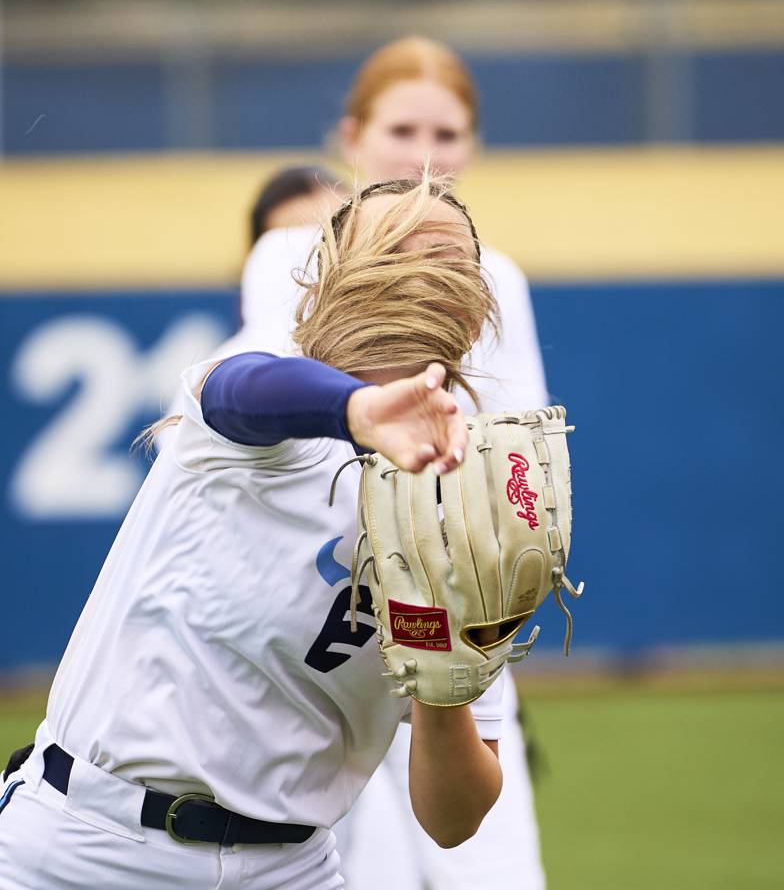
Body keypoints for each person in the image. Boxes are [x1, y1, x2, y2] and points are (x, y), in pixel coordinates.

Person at [0, 179, 505, 890]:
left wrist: (440, 662)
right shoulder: (278, 385)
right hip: (88, 843)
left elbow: (454, 820)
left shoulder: (471, 509)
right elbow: (239, 392)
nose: (417, 263)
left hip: (289, 869)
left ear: (475, 298)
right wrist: (358, 409)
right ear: (337, 266)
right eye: (394, 241)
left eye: (446, 253)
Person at [236, 37, 550, 890]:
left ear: (473, 147)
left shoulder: (499, 277)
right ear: (352, 136)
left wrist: (493, 588)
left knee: (489, 867)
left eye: (445, 134)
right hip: (330, 614)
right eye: (401, 127)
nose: (423, 153)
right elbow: (278, 412)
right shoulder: (290, 256)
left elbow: (520, 457)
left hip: (453, 602)